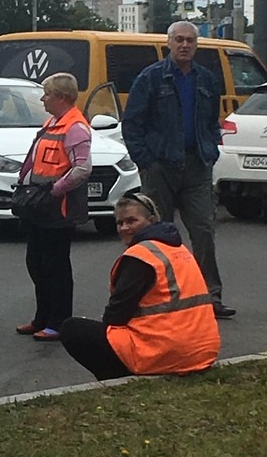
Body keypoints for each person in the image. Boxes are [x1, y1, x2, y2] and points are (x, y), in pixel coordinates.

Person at [122, 20, 235, 319]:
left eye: (190, 41)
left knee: (203, 230)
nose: (185, 45)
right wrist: (145, 160)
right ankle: (156, 297)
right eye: (179, 40)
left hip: (197, 164)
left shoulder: (206, 79)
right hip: (159, 166)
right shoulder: (151, 78)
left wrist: (210, 149)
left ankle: (210, 297)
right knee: (157, 233)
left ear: (196, 45)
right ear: (169, 44)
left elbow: (213, 121)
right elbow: (132, 123)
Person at [59, 192, 220, 380]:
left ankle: (117, 379)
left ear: (151, 221)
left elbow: (116, 315)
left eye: (131, 221)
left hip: (168, 353)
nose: (124, 228)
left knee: (72, 329)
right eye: (119, 223)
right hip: (202, 350)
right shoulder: (178, 248)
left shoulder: (141, 257)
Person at [15, 72, 92, 342]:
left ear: (61, 97)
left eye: (47, 94)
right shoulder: (53, 122)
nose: (43, 98)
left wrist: (56, 190)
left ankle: (59, 321)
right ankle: (42, 317)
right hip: (40, 204)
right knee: (36, 262)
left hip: (58, 207)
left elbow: (82, 168)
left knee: (56, 266)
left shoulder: (75, 127)